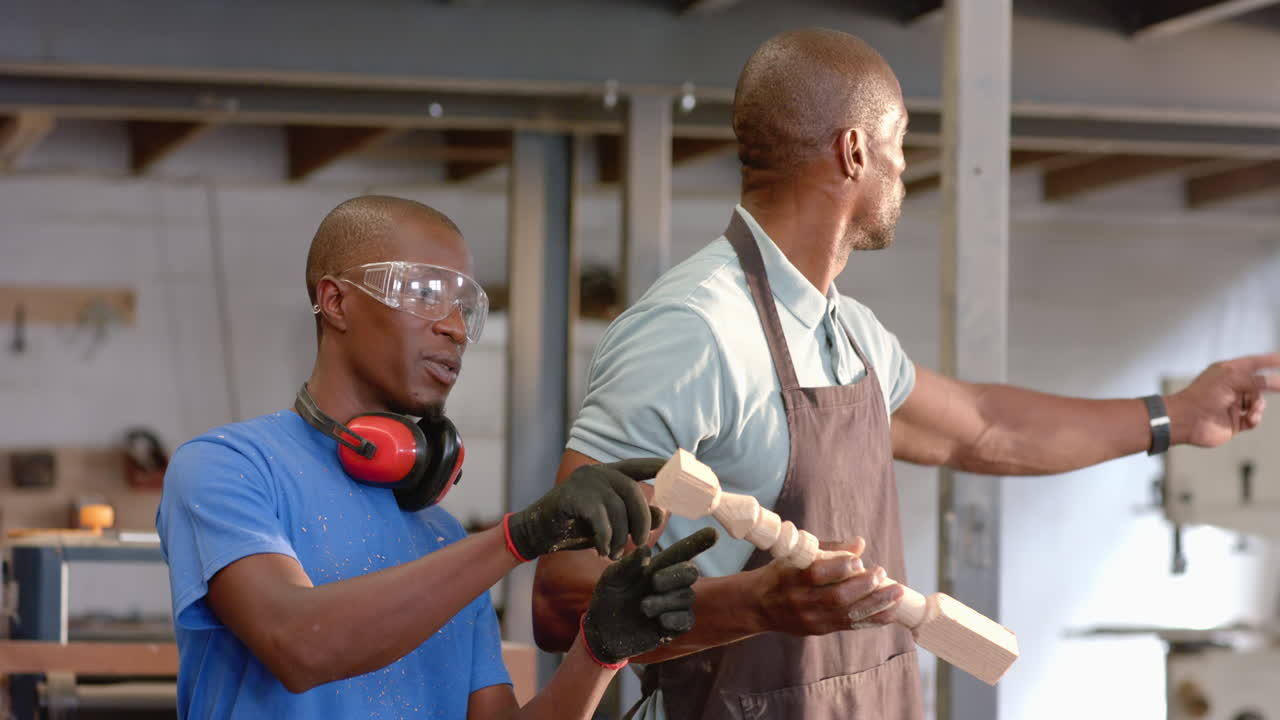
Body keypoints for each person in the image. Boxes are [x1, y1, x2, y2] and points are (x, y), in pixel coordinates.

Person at [531, 28, 1280, 720]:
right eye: (898, 144)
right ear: (854, 152)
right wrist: (758, 604)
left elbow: (984, 428)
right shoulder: (693, 331)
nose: (901, 169)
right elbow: (562, 599)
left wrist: (1177, 416)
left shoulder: (846, 331)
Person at [155, 195, 717, 720]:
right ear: (335, 301)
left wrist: (598, 650)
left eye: (464, 307)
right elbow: (298, 643)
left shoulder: (443, 537)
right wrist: (515, 539)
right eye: (425, 295)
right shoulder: (227, 469)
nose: (454, 327)